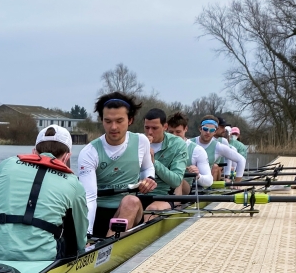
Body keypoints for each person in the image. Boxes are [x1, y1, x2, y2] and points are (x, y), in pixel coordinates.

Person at [0, 125, 88, 261]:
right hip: (42, 260)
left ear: (34, 152)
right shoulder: (74, 184)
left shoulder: (7, 164)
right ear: (67, 157)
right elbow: (80, 241)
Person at [76, 92, 156, 237]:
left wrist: (149, 178)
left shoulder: (141, 141)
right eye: (108, 121)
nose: (113, 127)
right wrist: (86, 235)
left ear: (130, 120)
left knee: (131, 200)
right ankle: (104, 244)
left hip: (128, 209)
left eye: (119, 121)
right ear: (101, 120)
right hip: (98, 211)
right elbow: (89, 198)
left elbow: (147, 168)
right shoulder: (89, 152)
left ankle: (108, 246)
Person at [143, 108, 189, 218]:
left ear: (165, 127)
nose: (149, 132)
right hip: (137, 193)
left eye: (154, 128)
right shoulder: (137, 141)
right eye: (147, 127)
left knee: (152, 210)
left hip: (164, 195)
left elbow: (176, 181)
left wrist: (154, 162)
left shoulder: (178, 144)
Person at [166, 112, 213, 192]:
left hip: (184, 189)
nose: (174, 136)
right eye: (171, 132)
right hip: (163, 187)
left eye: (178, 132)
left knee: (178, 178)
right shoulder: (161, 145)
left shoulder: (197, 150)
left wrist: (197, 175)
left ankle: (176, 204)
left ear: (186, 129)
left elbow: (209, 181)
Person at [196, 116, 245, 182]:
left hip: (207, 182)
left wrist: (237, 182)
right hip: (190, 183)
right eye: (205, 129)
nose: (208, 132)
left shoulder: (218, 146)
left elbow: (241, 160)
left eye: (212, 130)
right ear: (200, 129)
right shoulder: (189, 143)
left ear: (215, 131)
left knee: (215, 167)